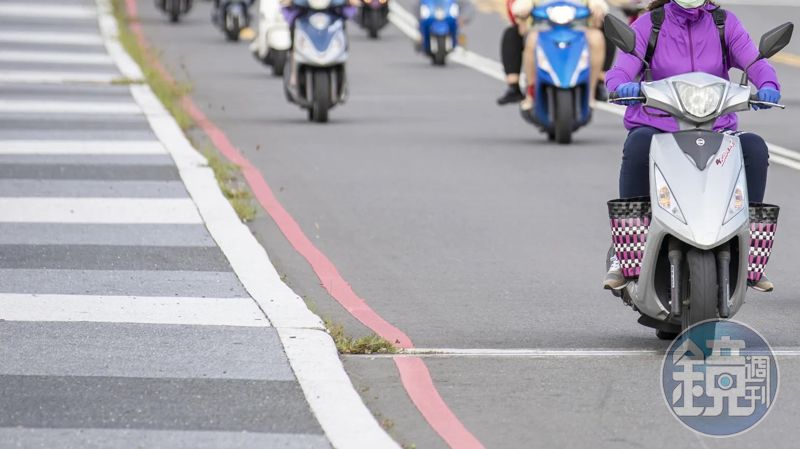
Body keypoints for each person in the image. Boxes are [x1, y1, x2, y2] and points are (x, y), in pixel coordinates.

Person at [602, 0, 781, 292]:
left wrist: (769, 84)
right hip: (659, 126)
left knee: (755, 148)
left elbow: (754, 62)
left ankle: (750, 252)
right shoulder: (651, 24)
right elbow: (622, 68)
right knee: (637, 144)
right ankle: (626, 251)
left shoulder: (724, 23)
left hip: (716, 127)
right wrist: (622, 85)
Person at [496, 0, 609, 106]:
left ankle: (593, 89)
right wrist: (523, 8)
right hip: (544, 29)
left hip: (578, 29)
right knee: (531, 39)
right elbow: (519, 8)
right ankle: (529, 91)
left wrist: (597, 7)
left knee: (598, 37)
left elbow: (597, 5)